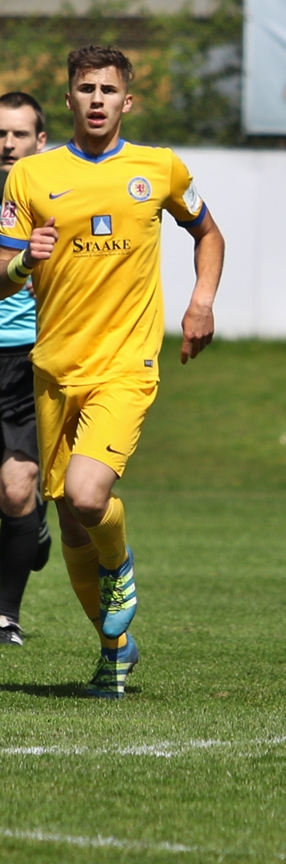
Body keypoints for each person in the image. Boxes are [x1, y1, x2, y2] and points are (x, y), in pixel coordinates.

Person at [0, 46, 226, 697]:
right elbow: (1, 272)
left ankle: (120, 568)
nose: (96, 99)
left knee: (89, 495)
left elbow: (208, 233)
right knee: (69, 519)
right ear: (68, 99)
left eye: (108, 89)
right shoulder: (31, 178)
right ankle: (114, 650)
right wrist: (21, 264)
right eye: (85, 88)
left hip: (125, 366)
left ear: (128, 101)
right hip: (52, 370)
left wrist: (201, 301)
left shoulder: (159, 170)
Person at [0, 92, 53, 646]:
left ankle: (4, 615)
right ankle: (30, 525)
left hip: (27, 358)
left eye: (18, 134)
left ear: (40, 141)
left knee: (16, 489)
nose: (7, 144)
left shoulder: (54, 196)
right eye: (0, 134)